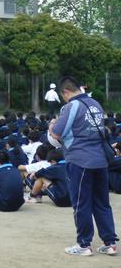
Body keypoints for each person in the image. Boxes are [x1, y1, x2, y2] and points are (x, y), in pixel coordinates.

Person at [50, 76, 118, 256]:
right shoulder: (95, 104)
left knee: (81, 203)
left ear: (65, 92)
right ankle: (110, 243)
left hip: (80, 161)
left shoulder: (72, 106)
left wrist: (51, 126)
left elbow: (56, 134)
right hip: (100, 161)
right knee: (102, 203)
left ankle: (84, 244)